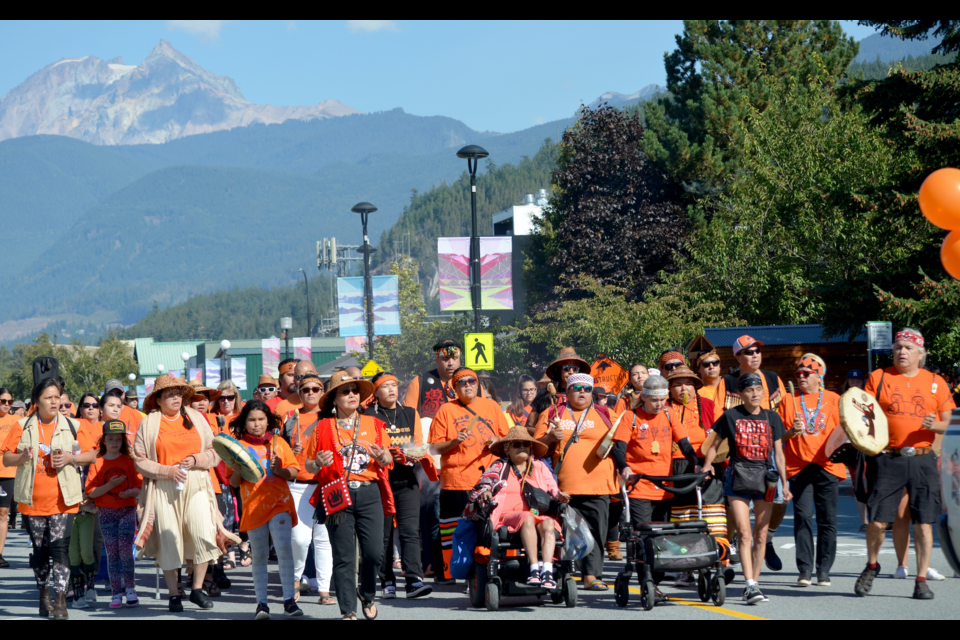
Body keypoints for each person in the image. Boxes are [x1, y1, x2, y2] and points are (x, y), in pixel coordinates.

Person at [855, 328, 955, 601]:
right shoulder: (879, 377)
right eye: (898, 346)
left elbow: (949, 420)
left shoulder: (936, 382)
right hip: (888, 458)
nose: (901, 351)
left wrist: (935, 425)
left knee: (924, 523)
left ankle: (921, 579)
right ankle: (872, 565)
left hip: (923, 460)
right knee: (877, 522)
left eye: (908, 348)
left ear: (921, 354)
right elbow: (861, 412)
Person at [132, 376, 239, 613]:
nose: (175, 398)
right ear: (157, 400)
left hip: (197, 481)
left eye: (178, 393)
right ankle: (174, 594)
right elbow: (139, 460)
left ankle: (197, 588)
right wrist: (166, 471)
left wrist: (196, 459)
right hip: (164, 486)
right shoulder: (149, 423)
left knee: (204, 533)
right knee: (170, 540)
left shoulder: (197, 418)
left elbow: (215, 451)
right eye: (169, 394)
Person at [1, 378, 97, 619]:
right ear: (37, 402)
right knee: (40, 550)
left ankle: (61, 600)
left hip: (63, 499)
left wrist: (70, 458)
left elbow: (91, 455)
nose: (55, 402)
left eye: (57, 397)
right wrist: (22, 457)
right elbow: (6, 459)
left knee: (60, 548)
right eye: (49, 398)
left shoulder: (74, 425)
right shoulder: (22, 425)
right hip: (32, 500)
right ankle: (44, 595)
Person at [305, 371, 395, 621]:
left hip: (369, 493)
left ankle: (367, 593)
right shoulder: (322, 427)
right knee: (343, 557)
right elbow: (310, 465)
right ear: (334, 398)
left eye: (355, 390)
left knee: (374, 553)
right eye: (345, 391)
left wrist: (382, 457)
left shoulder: (374, 424)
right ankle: (348, 611)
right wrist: (318, 463)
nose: (352, 395)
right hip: (336, 493)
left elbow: (388, 458)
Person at [703, 372, 792, 605]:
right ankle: (749, 585)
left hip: (765, 478)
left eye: (758, 389)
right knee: (744, 534)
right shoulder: (730, 416)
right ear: (741, 394)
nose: (755, 394)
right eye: (749, 390)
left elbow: (779, 455)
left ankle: (755, 583)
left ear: (763, 392)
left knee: (761, 534)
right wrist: (706, 466)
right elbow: (713, 445)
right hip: (737, 476)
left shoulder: (772, 418)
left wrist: (785, 483)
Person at [614, 375, 700, 594]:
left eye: (663, 399)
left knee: (662, 537)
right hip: (640, 486)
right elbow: (619, 449)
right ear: (644, 397)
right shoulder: (630, 417)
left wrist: (697, 464)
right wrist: (624, 466)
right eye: (655, 400)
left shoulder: (670, 414)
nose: (659, 404)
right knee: (646, 536)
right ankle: (647, 582)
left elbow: (684, 444)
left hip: (664, 488)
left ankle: (655, 580)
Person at [712, 335, 791, 571]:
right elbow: (719, 421)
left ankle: (767, 540)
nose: (754, 355)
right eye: (748, 352)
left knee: (779, 501)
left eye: (757, 351)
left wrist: (793, 430)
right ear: (737, 356)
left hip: (769, 454)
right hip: (739, 454)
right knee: (735, 506)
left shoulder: (772, 378)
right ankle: (734, 542)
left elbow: (783, 417)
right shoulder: (727, 382)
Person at [535, 372, 619, 592]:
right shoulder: (553, 412)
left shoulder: (606, 413)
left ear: (592, 393)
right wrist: (550, 438)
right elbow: (534, 448)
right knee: (565, 533)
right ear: (568, 391)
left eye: (587, 388)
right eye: (577, 387)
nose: (582, 391)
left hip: (598, 485)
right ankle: (564, 574)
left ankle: (592, 575)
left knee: (596, 532)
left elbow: (620, 444)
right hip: (562, 487)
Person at [428, 367, 509, 584]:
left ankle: (483, 572)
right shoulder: (446, 410)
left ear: (478, 384)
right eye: (462, 382)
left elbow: (507, 439)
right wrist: (454, 441)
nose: (468, 385)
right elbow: (434, 448)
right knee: (454, 530)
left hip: (488, 481)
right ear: (454, 388)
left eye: (471, 381)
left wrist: (497, 442)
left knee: (487, 528)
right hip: (456, 480)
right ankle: (450, 573)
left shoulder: (491, 406)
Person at [226, 399, 302, 619]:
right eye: (251, 420)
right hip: (253, 506)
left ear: (268, 421)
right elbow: (233, 482)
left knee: (284, 550)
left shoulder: (279, 443)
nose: (256, 424)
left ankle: (289, 601)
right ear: (244, 422)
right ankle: (262, 605)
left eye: (261, 419)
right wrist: (239, 469)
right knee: (258, 555)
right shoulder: (237, 445)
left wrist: (281, 471)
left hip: (280, 504)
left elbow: (294, 472)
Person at [468, 426, 569, 589]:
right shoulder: (499, 467)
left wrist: (560, 496)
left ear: (530, 448)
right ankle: (535, 569)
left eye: (525, 444)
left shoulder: (540, 467)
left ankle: (548, 570)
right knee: (526, 517)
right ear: (508, 450)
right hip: (506, 518)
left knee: (549, 523)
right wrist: (485, 491)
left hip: (535, 516)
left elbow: (553, 489)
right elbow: (484, 483)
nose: (522, 447)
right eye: (517, 444)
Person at [367, 371, 433, 599]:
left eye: (394, 385)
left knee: (410, 530)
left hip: (406, 479)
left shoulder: (410, 413)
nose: (391, 389)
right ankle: (387, 581)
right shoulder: (368, 415)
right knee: (383, 533)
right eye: (385, 386)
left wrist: (409, 454)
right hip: (378, 482)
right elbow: (369, 447)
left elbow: (418, 444)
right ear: (376, 392)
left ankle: (414, 579)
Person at [779, 354, 844, 587]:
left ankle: (824, 570)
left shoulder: (834, 399)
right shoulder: (788, 400)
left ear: (819, 377)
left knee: (827, 520)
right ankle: (805, 569)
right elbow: (779, 436)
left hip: (827, 465)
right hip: (798, 466)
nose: (801, 377)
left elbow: (844, 432)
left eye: (806, 374)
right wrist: (791, 432)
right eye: (798, 374)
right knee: (803, 518)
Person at [281, 373, 335, 606]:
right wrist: (291, 451)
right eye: (306, 390)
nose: (311, 392)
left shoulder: (331, 417)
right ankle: (295, 579)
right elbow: (280, 454)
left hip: (325, 484)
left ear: (322, 391)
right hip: (297, 485)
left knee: (323, 540)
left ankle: (324, 589)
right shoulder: (290, 419)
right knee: (300, 538)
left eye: (316, 388)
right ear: (299, 394)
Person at [664, 366, 719, 588]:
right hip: (675, 465)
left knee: (711, 515)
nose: (683, 388)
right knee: (681, 518)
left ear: (696, 386)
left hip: (706, 465)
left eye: (688, 383)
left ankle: (715, 561)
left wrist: (709, 463)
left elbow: (718, 436)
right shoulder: (665, 408)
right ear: (669, 389)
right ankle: (683, 568)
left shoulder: (707, 405)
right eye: (677, 384)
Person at [84, 419, 141, 608]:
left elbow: (138, 487)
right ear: (104, 441)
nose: (115, 443)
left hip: (127, 509)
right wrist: (111, 485)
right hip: (106, 511)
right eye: (111, 439)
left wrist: (129, 492)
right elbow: (91, 492)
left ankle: (130, 589)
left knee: (126, 550)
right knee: (112, 553)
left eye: (118, 439)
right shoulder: (97, 462)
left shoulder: (129, 461)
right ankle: (116, 593)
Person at [527, 347, 592, 436]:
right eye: (566, 368)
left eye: (575, 369)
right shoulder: (544, 395)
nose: (571, 372)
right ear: (558, 370)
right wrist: (547, 435)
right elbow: (529, 426)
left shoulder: (587, 396)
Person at [403, 339, 465, 420]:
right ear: (437, 360)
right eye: (446, 358)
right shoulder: (419, 382)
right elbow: (408, 419)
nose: (451, 363)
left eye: (455, 358)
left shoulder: (471, 383)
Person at [0, 387, 18, 568]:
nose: (6, 405)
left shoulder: (16, 420)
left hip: (7, 471)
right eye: (2, 401)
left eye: (9, 402)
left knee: (3, 513)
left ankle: (0, 554)